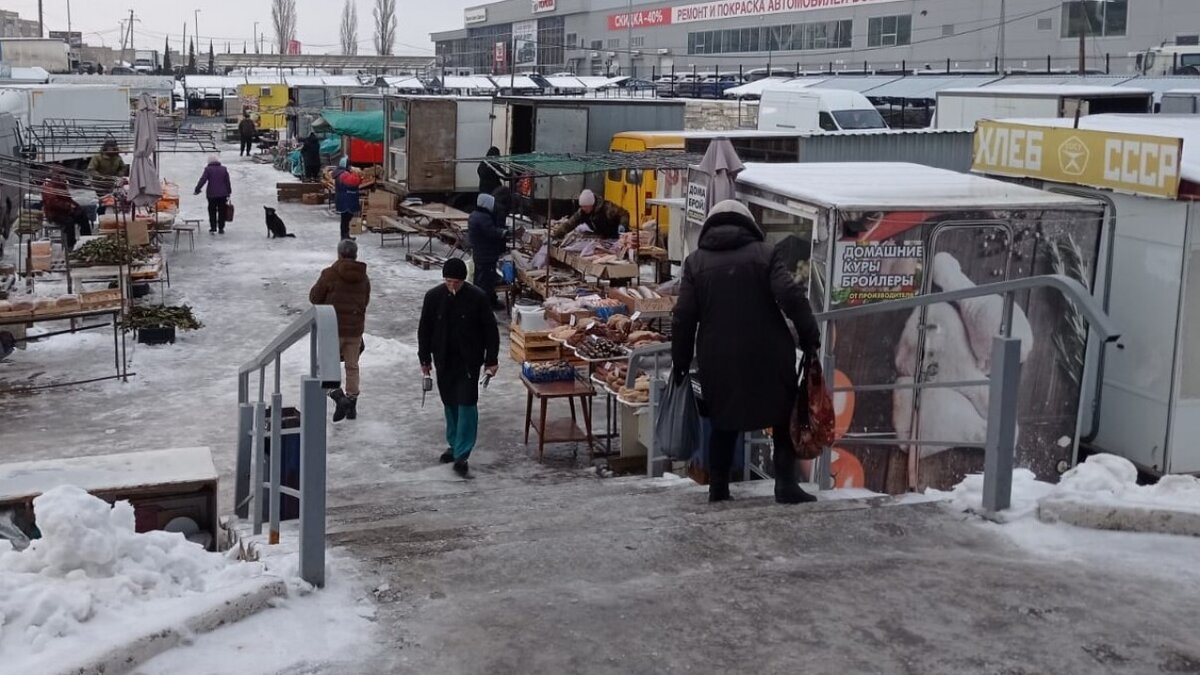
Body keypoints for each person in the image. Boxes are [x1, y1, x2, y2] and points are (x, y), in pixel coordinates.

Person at [671, 200, 822, 505]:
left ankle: (719, 489)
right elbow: (790, 296)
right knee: (782, 418)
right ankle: (785, 485)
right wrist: (810, 337)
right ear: (748, 224)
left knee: (723, 422)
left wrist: (681, 360)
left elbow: (683, 316)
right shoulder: (765, 254)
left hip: (718, 358)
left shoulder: (696, 263)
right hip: (769, 353)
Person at [418, 258, 500, 478]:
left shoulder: (478, 298)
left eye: (456, 282)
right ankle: (454, 444)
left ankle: (463, 452)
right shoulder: (433, 297)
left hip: (468, 361)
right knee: (450, 403)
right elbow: (424, 330)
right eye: (448, 281)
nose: (451, 285)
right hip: (443, 359)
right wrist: (424, 360)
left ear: (464, 280)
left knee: (466, 404)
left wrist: (491, 360)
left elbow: (491, 331)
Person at [309, 239, 371, 422]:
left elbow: (314, 297)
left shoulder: (329, 274)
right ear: (355, 254)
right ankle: (351, 404)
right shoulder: (364, 277)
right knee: (352, 366)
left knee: (327, 366)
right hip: (355, 330)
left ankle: (338, 396)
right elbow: (365, 301)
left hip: (332, 328)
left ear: (339, 254)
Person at [467, 193, 506, 310]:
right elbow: (491, 232)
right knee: (487, 281)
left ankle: (485, 301)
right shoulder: (484, 217)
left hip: (479, 253)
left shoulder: (474, 214)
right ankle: (486, 305)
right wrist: (504, 232)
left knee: (480, 279)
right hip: (486, 254)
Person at [41, 167, 91, 253]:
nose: (65, 177)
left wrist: (76, 206)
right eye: (63, 174)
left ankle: (86, 240)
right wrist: (68, 206)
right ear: (57, 175)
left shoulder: (62, 185)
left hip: (66, 211)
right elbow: (52, 203)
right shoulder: (49, 187)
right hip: (55, 214)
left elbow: (68, 199)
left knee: (82, 215)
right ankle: (70, 246)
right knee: (69, 222)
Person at [551, 188, 630, 239]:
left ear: (592, 204)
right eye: (582, 206)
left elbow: (624, 214)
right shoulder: (582, 212)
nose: (583, 209)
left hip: (616, 236)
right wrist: (556, 235)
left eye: (585, 206)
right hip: (602, 237)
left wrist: (622, 225)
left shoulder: (607, 208)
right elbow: (569, 224)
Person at [194, 154, 232, 234]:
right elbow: (227, 182)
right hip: (223, 194)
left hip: (211, 194)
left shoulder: (208, 169)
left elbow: (203, 180)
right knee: (222, 211)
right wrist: (229, 192)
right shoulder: (223, 169)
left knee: (212, 210)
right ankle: (221, 228)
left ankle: (213, 227)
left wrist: (197, 189)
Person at [333, 159, 362, 241]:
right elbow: (354, 182)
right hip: (346, 200)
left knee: (345, 219)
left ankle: (345, 235)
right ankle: (344, 236)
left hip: (343, 199)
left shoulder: (340, 173)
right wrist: (356, 174)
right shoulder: (344, 175)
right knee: (346, 218)